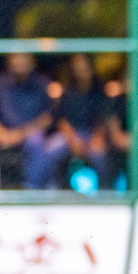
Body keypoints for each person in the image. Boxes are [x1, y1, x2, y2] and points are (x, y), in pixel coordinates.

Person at [0, 53, 58, 189]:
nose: (18, 63)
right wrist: (0, 134)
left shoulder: (42, 83)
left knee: (37, 143)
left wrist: (20, 134)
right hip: (0, 132)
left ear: (32, 62)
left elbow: (47, 119)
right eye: (15, 58)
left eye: (23, 59)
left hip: (29, 133)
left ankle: (31, 190)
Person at [45, 54, 113, 188]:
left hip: (94, 134)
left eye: (83, 66)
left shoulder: (100, 90)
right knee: (51, 149)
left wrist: (97, 138)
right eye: (77, 67)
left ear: (91, 68)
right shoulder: (67, 91)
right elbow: (60, 119)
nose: (80, 70)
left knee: (99, 154)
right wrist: (73, 139)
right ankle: (51, 189)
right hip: (71, 135)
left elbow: (103, 119)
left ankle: (106, 191)